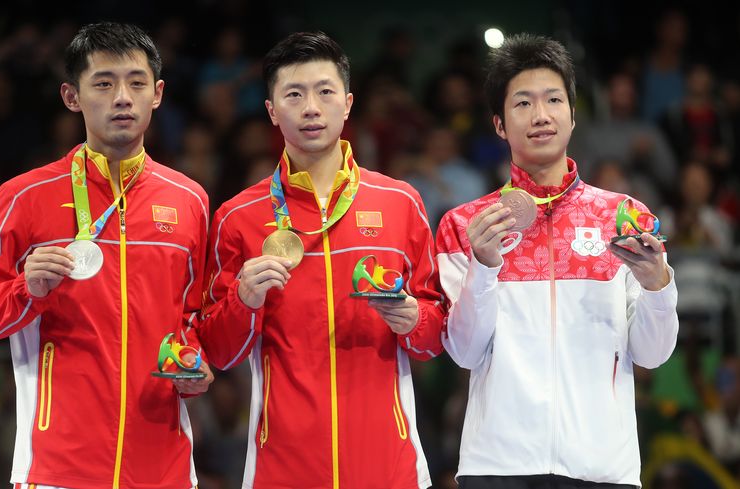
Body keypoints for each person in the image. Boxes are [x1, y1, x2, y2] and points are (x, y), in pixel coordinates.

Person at [0, 22, 213, 489]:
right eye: (104, 83)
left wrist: (193, 360)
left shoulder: (190, 200)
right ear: (72, 97)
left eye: (136, 83)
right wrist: (25, 290)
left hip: (165, 466)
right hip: (57, 465)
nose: (122, 97)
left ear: (157, 94)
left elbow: (193, 314)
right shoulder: (24, 196)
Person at [195, 31, 445, 488]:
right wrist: (243, 300)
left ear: (347, 103)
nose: (311, 107)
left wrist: (412, 318)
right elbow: (219, 352)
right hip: (281, 468)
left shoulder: (400, 202)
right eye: (294, 94)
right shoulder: (238, 218)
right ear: (271, 111)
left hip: (389, 467)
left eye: (325, 91)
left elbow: (434, 341)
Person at [435, 34, 679, 488]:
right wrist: (484, 266)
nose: (541, 115)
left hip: (602, 466)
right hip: (498, 466)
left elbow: (654, 353)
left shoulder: (624, 218)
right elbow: (465, 350)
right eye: (523, 103)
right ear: (500, 124)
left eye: (553, 100)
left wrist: (657, 285)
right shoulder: (465, 225)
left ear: (572, 114)